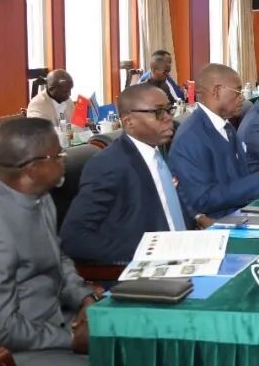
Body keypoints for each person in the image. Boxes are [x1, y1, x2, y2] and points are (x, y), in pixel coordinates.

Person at [0, 118, 97, 366]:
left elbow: (59, 258)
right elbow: (2, 327)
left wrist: (85, 298)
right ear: (32, 168)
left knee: (130, 347)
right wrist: (69, 339)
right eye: (58, 154)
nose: (64, 159)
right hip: (10, 353)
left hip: (52, 323)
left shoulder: (40, 197)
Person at [60, 84, 204, 265]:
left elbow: (168, 205)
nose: (168, 118)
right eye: (158, 112)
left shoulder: (157, 151)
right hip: (149, 265)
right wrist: (149, 251)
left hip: (188, 251)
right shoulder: (108, 165)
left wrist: (197, 220)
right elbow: (74, 237)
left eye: (169, 109)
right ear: (129, 122)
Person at [168, 64, 259, 217]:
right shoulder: (190, 137)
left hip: (243, 211)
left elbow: (239, 178)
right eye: (238, 91)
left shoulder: (227, 127)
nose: (242, 98)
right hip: (220, 220)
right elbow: (202, 199)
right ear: (217, 91)